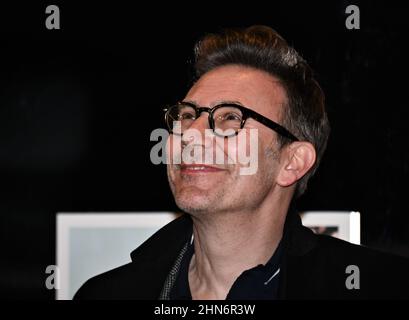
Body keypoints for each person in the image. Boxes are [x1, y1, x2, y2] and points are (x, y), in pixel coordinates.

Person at [74, 25, 409, 300]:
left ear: (292, 162)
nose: (191, 134)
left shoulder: (382, 289)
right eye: (187, 115)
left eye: (231, 118)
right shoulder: (107, 295)